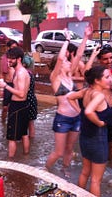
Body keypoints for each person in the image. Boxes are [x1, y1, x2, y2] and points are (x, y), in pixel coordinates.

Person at [67, 65, 112, 196]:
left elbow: (69, 97)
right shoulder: (98, 96)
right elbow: (88, 111)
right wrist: (99, 122)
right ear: (97, 80)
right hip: (98, 139)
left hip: (85, 138)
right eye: (107, 77)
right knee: (95, 180)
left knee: (85, 172)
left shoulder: (86, 91)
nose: (110, 79)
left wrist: (78, 111)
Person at [45, 29, 84, 176]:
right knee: (59, 152)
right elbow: (61, 58)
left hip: (76, 118)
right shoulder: (55, 79)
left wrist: (85, 37)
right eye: (67, 61)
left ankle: (65, 170)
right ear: (59, 66)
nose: (69, 63)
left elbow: (79, 55)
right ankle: (46, 170)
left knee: (69, 149)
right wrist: (66, 40)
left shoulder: (70, 78)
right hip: (63, 119)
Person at [88, 44, 112, 168]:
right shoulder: (96, 74)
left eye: (111, 58)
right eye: (106, 59)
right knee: (97, 141)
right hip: (99, 111)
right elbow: (86, 71)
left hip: (111, 110)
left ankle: (110, 163)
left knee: (111, 141)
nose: (109, 61)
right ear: (100, 60)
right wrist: (93, 54)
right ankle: (95, 165)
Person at [0, 47, 30, 158]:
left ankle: (10, 163)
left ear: (19, 59)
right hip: (24, 105)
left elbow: (21, 93)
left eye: (11, 59)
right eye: (8, 59)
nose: (8, 61)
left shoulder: (20, 73)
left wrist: (5, 86)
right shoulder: (21, 71)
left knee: (12, 138)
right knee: (24, 134)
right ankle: (26, 158)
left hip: (17, 107)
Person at [0, 40, 18, 123]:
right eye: (13, 47)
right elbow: (1, 74)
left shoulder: (18, 59)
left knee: (14, 107)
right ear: (8, 48)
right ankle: (3, 123)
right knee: (5, 108)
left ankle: (12, 123)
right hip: (8, 84)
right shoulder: (4, 59)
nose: (14, 49)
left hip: (16, 84)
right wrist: (1, 89)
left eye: (16, 47)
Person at [22, 54, 38, 138]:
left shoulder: (24, 74)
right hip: (32, 99)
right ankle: (32, 142)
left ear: (24, 64)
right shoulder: (31, 73)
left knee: (23, 125)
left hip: (26, 100)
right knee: (31, 123)